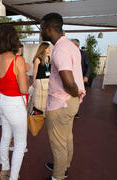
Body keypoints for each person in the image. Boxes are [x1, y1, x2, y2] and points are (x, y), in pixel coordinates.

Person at [40, 13, 85, 180]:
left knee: (58, 143)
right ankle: (64, 166)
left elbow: (68, 80)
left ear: (50, 29)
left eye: (42, 28)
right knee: (67, 137)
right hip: (70, 102)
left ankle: (58, 176)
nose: (40, 32)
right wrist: (76, 92)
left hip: (61, 103)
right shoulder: (71, 45)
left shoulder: (59, 50)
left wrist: (74, 90)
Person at [0, 24, 28, 180]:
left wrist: (5, 84)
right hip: (15, 103)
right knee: (20, 143)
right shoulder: (18, 60)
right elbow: (24, 89)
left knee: (5, 136)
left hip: (2, 101)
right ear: (13, 39)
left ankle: (5, 169)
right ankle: (13, 177)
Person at [71, 39, 91, 118]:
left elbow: (89, 66)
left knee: (78, 94)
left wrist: (86, 76)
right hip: (70, 77)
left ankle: (75, 112)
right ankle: (70, 110)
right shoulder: (68, 53)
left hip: (80, 78)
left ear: (76, 45)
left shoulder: (84, 54)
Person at [32, 42, 51, 114]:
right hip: (40, 81)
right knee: (39, 99)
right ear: (44, 49)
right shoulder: (37, 59)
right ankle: (39, 113)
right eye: (48, 48)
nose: (49, 49)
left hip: (47, 81)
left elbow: (50, 69)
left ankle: (45, 113)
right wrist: (34, 81)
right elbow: (35, 71)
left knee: (46, 98)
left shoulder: (48, 58)